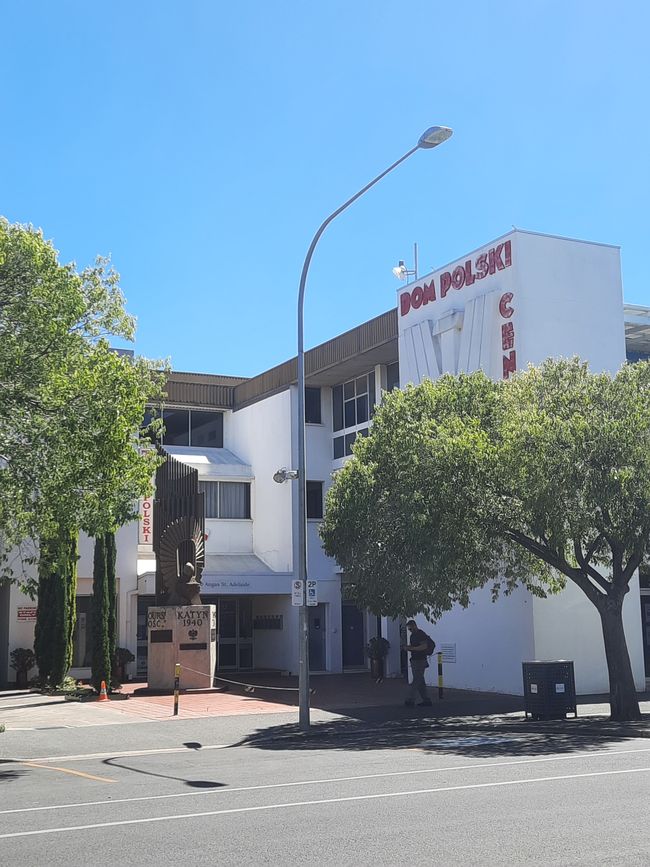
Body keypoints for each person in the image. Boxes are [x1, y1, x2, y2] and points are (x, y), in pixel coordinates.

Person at [402, 619, 433, 707]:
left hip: (420, 660)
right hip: (415, 660)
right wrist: (408, 647)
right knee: (420, 680)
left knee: (416, 680)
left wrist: (411, 648)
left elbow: (424, 646)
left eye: (411, 629)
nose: (410, 630)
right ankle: (426, 700)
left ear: (414, 626)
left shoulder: (420, 634)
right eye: (409, 629)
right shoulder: (413, 635)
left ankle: (410, 699)